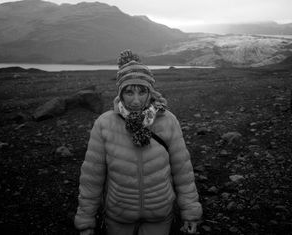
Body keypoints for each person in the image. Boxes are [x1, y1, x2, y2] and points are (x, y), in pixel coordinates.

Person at [74, 50, 202, 235]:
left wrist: (190, 212)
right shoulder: (105, 124)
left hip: (159, 213)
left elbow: (183, 172)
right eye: (129, 91)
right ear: (120, 93)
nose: (135, 100)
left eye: (142, 91)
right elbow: (91, 177)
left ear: (151, 92)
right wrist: (85, 220)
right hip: (118, 215)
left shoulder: (168, 121)